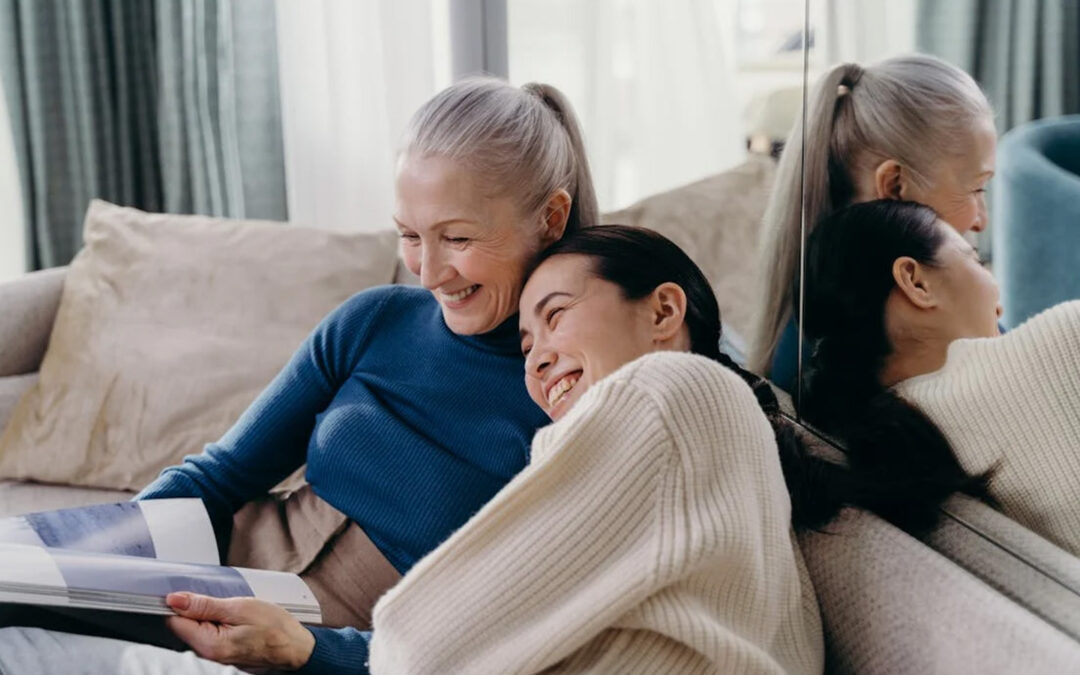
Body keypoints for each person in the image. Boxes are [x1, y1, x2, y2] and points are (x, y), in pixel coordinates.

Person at [0, 76, 598, 673]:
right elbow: (218, 477)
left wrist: (310, 652)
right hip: (208, 572)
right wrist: (95, 566)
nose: (430, 272)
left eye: (459, 237)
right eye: (410, 236)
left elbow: (491, 645)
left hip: (331, 647)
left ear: (550, 218)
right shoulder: (376, 319)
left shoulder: (572, 397)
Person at [799, 199, 1080, 551]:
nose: (999, 305)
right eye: (976, 260)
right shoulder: (1066, 342)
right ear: (916, 282)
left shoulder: (878, 443)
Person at [749, 54, 997, 392]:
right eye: (976, 188)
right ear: (895, 186)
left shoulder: (817, 328)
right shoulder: (892, 358)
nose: (982, 220)